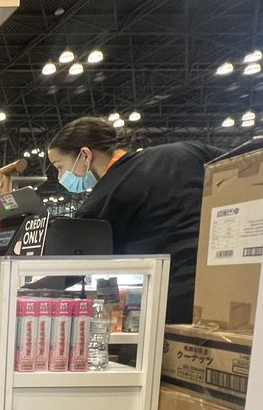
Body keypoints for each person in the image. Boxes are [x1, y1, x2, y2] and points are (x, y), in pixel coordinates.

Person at [47, 117, 222, 324]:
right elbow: (240, 165)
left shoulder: (103, 200)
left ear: (85, 154)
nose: (60, 176)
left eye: (59, 166)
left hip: (179, 299)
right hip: (232, 278)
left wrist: (26, 288)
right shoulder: (185, 151)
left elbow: (73, 267)